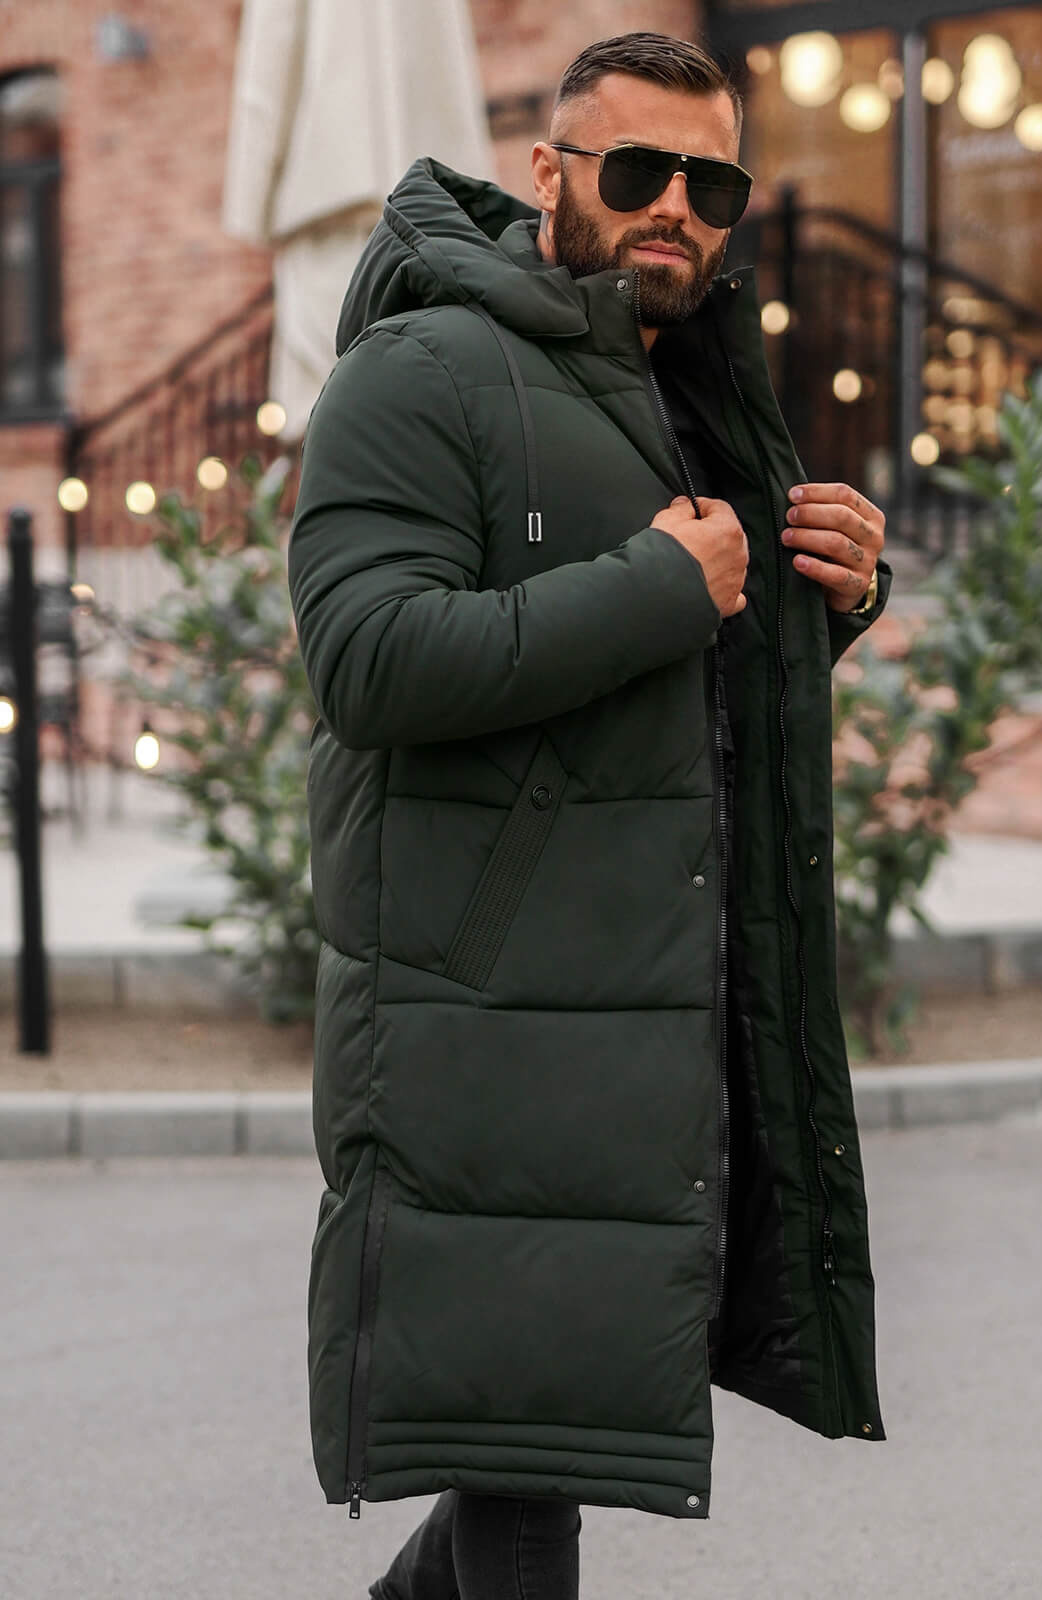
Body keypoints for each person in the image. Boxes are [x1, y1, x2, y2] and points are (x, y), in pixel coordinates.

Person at [288, 31, 890, 1600]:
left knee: (531, 1448)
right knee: (523, 1466)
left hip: (628, 1013)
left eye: (713, 184)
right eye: (638, 171)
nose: (676, 207)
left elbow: (677, 683)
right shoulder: (420, 371)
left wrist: (827, 603)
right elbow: (366, 658)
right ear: (549, 175)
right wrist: (658, 588)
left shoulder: (682, 387)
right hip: (481, 1016)